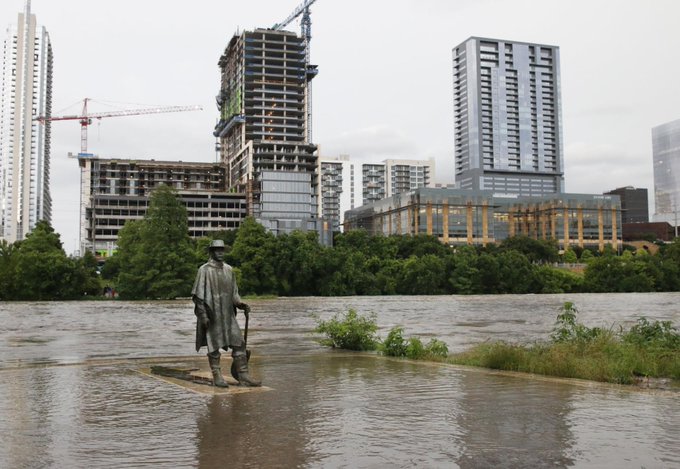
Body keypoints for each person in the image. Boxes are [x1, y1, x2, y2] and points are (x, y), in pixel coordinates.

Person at [191, 239, 261, 387]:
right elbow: (198, 296)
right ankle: (217, 375)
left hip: (228, 315)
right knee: (214, 345)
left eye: (222, 250)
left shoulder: (229, 270)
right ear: (211, 252)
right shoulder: (204, 270)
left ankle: (243, 376)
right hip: (212, 314)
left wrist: (241, 304)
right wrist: (203, 315)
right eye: (217, 250)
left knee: (239, 343)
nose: (220, 253)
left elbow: (234, 293)